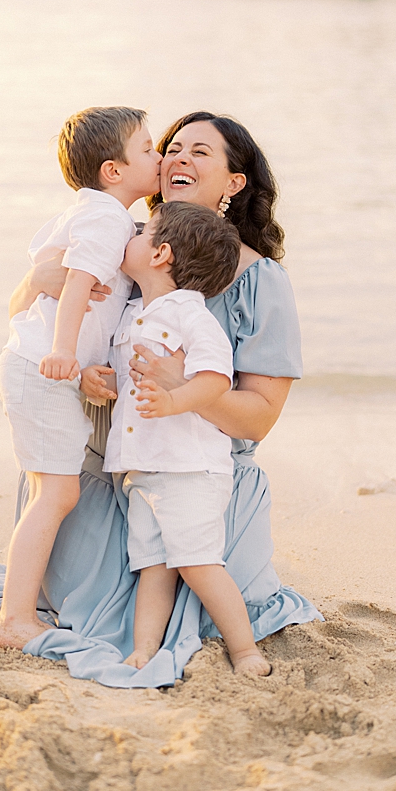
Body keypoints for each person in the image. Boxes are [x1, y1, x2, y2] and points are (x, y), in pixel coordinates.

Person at [0, 111, 321, 689]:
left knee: (210, 592)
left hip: (197, 471)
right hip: (111, 468)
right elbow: (31, 319)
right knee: (81, 581)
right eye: (171, 148)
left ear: (235, 182)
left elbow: (259, 419)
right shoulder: (128, 245)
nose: (178, 157)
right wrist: (57, 314)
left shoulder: (261, 281)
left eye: (201, 152)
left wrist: (180, 389)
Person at [0, 106, 162, 650]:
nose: (160, 158)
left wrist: (79, 363)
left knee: (52, 491)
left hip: (41, 368)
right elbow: (78, 283)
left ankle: (19, 608)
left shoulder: (94, 212)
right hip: (42, 368)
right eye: (150, 149)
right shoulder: (108, 219)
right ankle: (14, 617)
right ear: (115, 170)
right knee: (56, 493)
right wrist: (65, 352)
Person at [95, 202, 271, 676]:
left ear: (160, 254)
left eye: (140, 232)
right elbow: (131, 383)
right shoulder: (134, 312)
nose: (128, 238)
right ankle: (144, 650)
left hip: (189, 467)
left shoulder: (191, 316)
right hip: (145, 468)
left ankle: (245, 650)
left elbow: (215, 379)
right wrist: (102, 383)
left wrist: (174, 401)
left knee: (197, 563)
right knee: (152, 566)